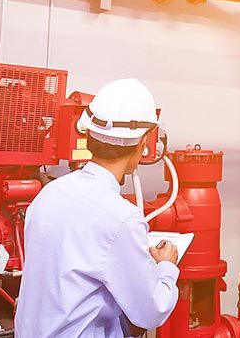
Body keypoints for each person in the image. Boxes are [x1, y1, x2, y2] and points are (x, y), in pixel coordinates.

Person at [15, 78, 180, 338]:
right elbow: (150, 311)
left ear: (88, 134)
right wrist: (166, 267)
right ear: (143, 142)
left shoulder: (48, 194)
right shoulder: (121, 219)